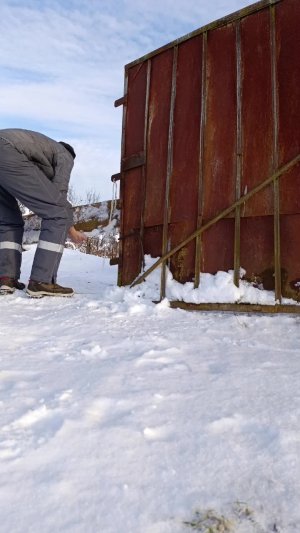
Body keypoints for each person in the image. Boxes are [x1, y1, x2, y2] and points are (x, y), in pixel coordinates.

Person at [0, 128, 87, 297]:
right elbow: (59, 197)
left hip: (5, 151)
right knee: (58, 214)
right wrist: (72, 231)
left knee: (8, 221)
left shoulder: (38, 152)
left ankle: (5, 279)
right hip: (6, 150)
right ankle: (42, 281)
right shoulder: (65, 154)